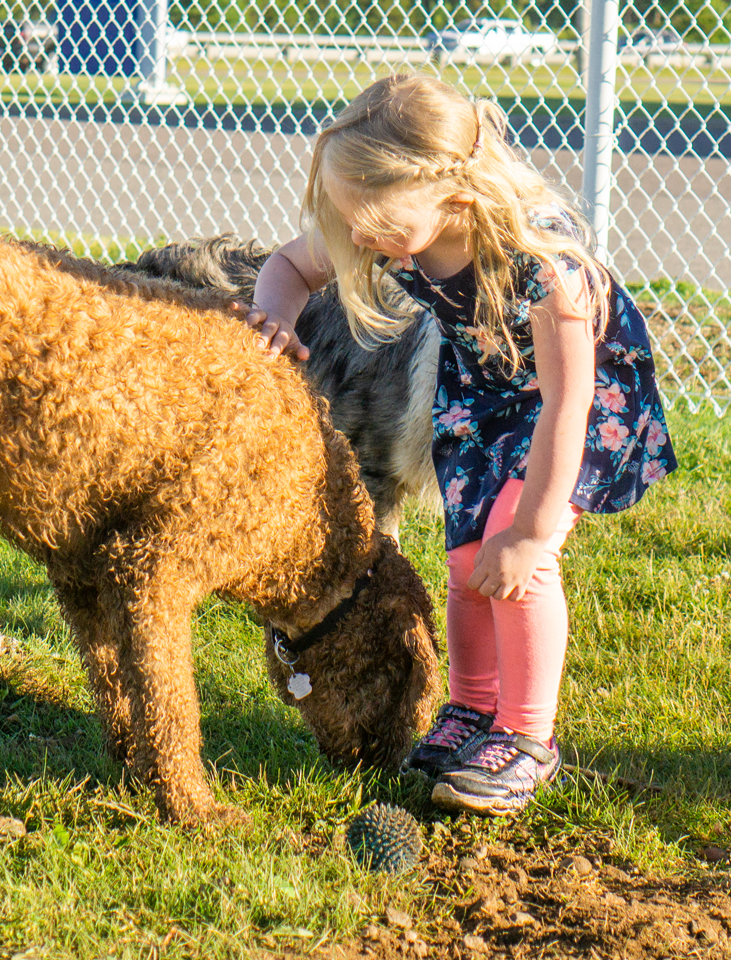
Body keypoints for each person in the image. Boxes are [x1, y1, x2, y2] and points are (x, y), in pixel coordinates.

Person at [239, 74, 678, 816]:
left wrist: (532, 530)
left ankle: (528, 738)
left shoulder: (542, 262)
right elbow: (289, 266)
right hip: (484, 401)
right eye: (348, 217)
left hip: (575, 406)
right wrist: (274, 315)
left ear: (453, 194)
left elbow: (568, 402)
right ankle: (472, 711)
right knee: (468, 561)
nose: (357, 236)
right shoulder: (390, 224)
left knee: (517, 560)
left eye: (371, 219)